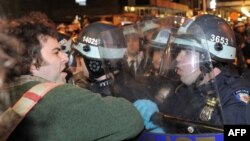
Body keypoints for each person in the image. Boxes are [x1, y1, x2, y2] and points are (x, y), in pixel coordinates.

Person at [5, 18, 144, 141]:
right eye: (55, 52)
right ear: (32, 62)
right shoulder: (58, 97)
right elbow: (131, 119)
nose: (65, 58)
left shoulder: (7, 92)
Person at [134, 14, 250, 133]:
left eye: (188, 52)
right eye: (179, 50)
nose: (178, 58)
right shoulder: (185, 90)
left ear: (210, 59)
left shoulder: (235, 102)